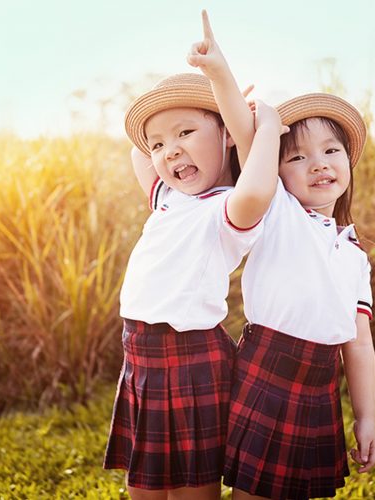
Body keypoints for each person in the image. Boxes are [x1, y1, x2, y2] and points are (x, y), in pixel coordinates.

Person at [103, 11, 285, 500]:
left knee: (190, 489)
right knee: (144, 485)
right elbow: (139, 152)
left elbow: (258, 186)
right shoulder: (168, 198)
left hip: (190, 358)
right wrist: (159, 126)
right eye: (162, 143)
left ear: (225, 136)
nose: (170, 152)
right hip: (140, 354)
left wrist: (252, 122)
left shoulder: (225, 210)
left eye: (186, 133)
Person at [222, 93, 375, 499]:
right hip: (268, 371)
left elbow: (359, 343)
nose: (319, 163)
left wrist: (365, 417)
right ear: (275, 171)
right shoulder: (279, 212)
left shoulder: (355, 255)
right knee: (253, 493)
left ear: (348, 162)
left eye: (331, 150)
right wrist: (260, 118)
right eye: (297, 157)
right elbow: (246, 139)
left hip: (320, 384)